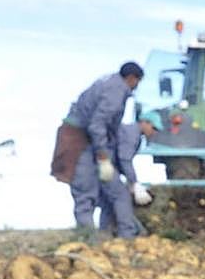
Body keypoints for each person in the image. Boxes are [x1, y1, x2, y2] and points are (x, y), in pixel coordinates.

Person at [50, 61, 144, 229]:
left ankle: (104, 234)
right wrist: (102, 155)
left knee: (105, 191)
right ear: (131, 78)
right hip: (79, 142)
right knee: (86, 192)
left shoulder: (108, 83)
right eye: (137, 82)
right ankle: (88, 239)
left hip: (87, 140)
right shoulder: (116, 91)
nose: (136, 87)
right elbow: (97, 125)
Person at [98, 111, 163, 237]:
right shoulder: (131, 134)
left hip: (104, 166)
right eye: (153, 128)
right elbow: (124, 159)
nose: (154, 132)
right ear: (145, 123)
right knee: (122, 197)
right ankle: (128, 234)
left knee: (108, 201)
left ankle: (103, 233)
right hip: (106, 166)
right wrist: (134, 182)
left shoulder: (133, 135)